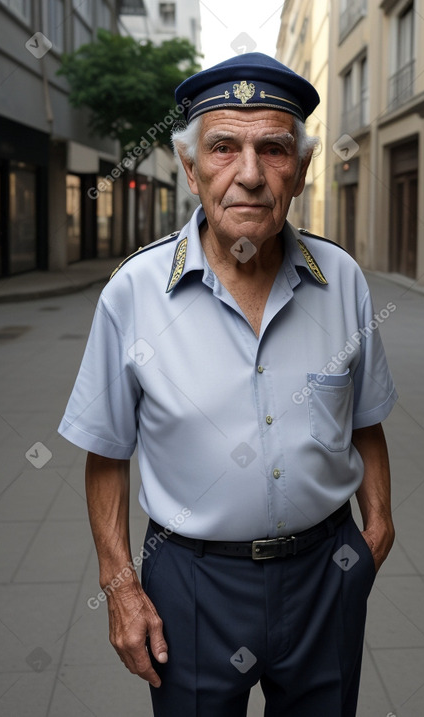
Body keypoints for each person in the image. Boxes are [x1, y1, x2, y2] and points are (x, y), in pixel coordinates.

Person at [59, 52, 397, 717]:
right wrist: (120, 583)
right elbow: (105, 449)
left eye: (273, 148)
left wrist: (377, 529)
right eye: (223, 148)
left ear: (298, 169)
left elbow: (365, 418)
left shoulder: (344, 281)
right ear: (190, 167)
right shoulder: (134, 292)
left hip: (326, 571)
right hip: (191, 583)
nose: (248, 174)